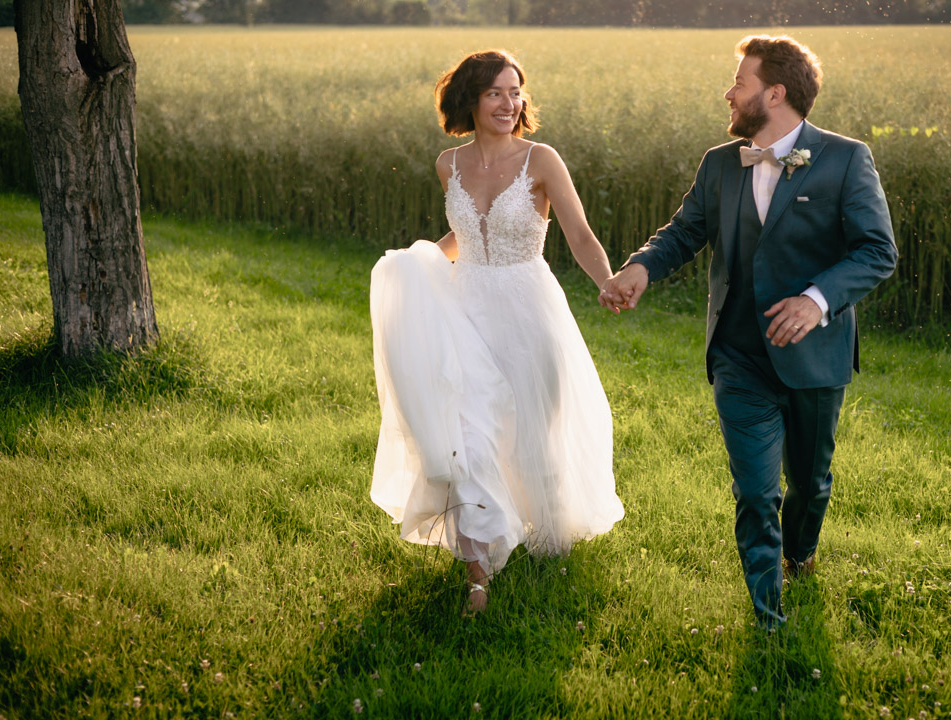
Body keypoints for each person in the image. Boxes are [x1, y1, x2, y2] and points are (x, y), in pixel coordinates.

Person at [600, 35, 897, 628]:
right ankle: (769, 616)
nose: (729, 93)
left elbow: (876, 251)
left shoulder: (845, 158)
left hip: (814, 354)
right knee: (757, 491)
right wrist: (641, 265)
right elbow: (683, 232)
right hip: (738, 353)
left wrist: (817, 302)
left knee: (809, 484)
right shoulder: (719, 163)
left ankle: (801, 554)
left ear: (775, 93)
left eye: (740, 82)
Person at [369, 50, 624, 614]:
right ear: (470, 100)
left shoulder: (541, 159)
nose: (509, 104)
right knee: (467, 433)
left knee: (534, 430)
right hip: (466, 307)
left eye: (516, 92)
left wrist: (608, 282)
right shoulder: (448, 164)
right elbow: (462, 236)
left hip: (529, 307)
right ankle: (478, 576)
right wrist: (413, 270)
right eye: (495, 93)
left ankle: (545, 543)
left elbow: (579, 235)